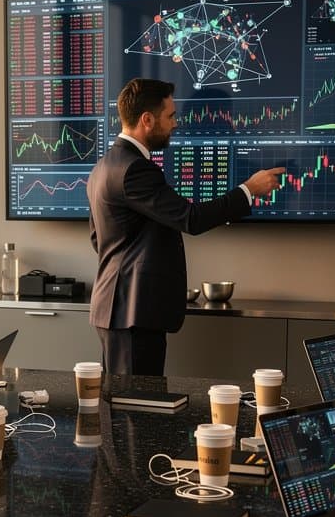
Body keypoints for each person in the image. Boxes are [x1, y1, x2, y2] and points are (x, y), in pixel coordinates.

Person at [87, 78, 284, 376]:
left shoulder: (103, 166)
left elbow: (97, 238)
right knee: (135, 410)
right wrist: (248, 190)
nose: (175, 124)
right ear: (147, 120)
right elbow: (190, 218)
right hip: (133, 313)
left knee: (126, 407)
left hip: (120, 310)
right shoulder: (135, 169)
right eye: (171, 116)